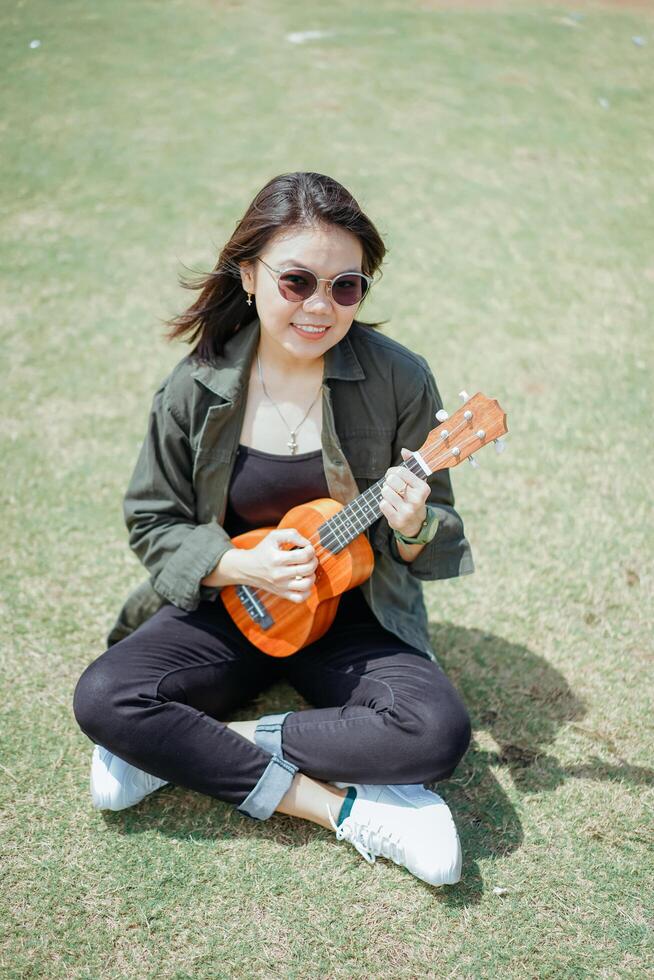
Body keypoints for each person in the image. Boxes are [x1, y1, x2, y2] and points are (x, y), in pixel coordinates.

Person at [72, 171, 475, 888]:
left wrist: (412, 526)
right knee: (104, 698)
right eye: (297, 282)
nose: (321, 307)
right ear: (250, 274)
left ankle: (182, 746)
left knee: (438, 730)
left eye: (345, 286)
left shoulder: (399, 379)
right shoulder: (195, 386)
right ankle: (344, 810)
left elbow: (436, 527)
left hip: (354, 617)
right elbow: (152, 518)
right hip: (233, 606)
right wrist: (236, 565)